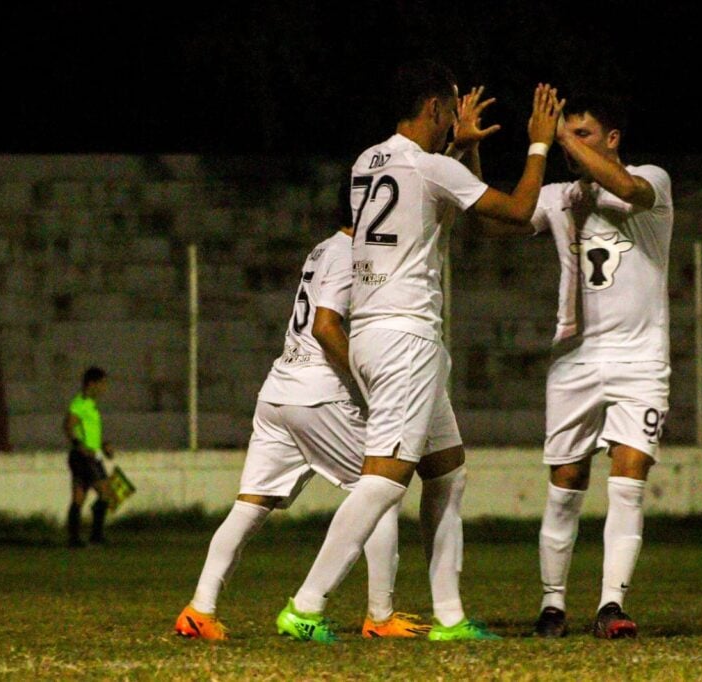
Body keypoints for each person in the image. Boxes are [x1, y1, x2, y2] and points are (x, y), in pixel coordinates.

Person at [275, 59, 565, 642]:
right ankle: (305, 606)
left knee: (448, 471)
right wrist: (538, 146)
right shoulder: (428, 166)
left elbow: (438, 198)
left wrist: (464, 151)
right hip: (405, 334)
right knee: (384, 479)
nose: (454, 118)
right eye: (451, 109)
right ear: (434, 108)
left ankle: (450, 617)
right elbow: (511, 214)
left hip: (376, 332)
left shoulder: (368, 161)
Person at [174, 181, 429, 642]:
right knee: (381, 489)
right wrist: (367, 376)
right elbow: (325, 324)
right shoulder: (353, 253)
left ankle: (199, 609)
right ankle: (380, 614)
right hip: (318, 393)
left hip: (279, 393)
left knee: (250, 506)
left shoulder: (322, 249)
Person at [521, 94, 673, 638]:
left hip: (640, 361)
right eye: (569, 133)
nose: (572, 142)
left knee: (629, 479)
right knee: (566, 482)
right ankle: (553, 605)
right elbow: (498, 222)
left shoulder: (650, 180)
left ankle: (612, 605)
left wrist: (558, 136)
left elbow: (628, 190)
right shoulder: (560, 196)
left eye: (584, 133)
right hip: (574, 362)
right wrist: (467, 155)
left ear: (612, 139)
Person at [64, 366, 115, 547]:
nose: (104, 388)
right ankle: (96, 536)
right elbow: (68, 425)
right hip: (84, 458)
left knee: (79, 497)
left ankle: (74, 540)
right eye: (102, 384)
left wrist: (103, 445)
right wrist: (80, 446)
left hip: (87, 456)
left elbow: (87, 433)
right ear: (91, 384)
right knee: (106, 492)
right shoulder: (81, 403)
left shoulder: (91, 406)